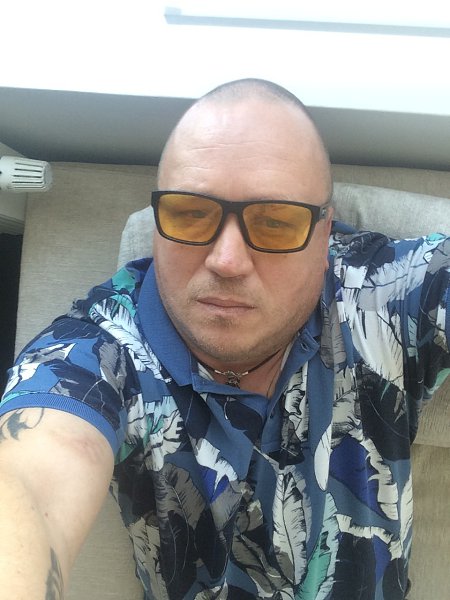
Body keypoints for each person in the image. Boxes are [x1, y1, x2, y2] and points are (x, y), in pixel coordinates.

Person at [0, 78, 448, 600]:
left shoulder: (383, 297)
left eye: (275, 222)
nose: (227, 261)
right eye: (191, 213)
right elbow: (35, 473)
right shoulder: (99, 352)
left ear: (325, 235)